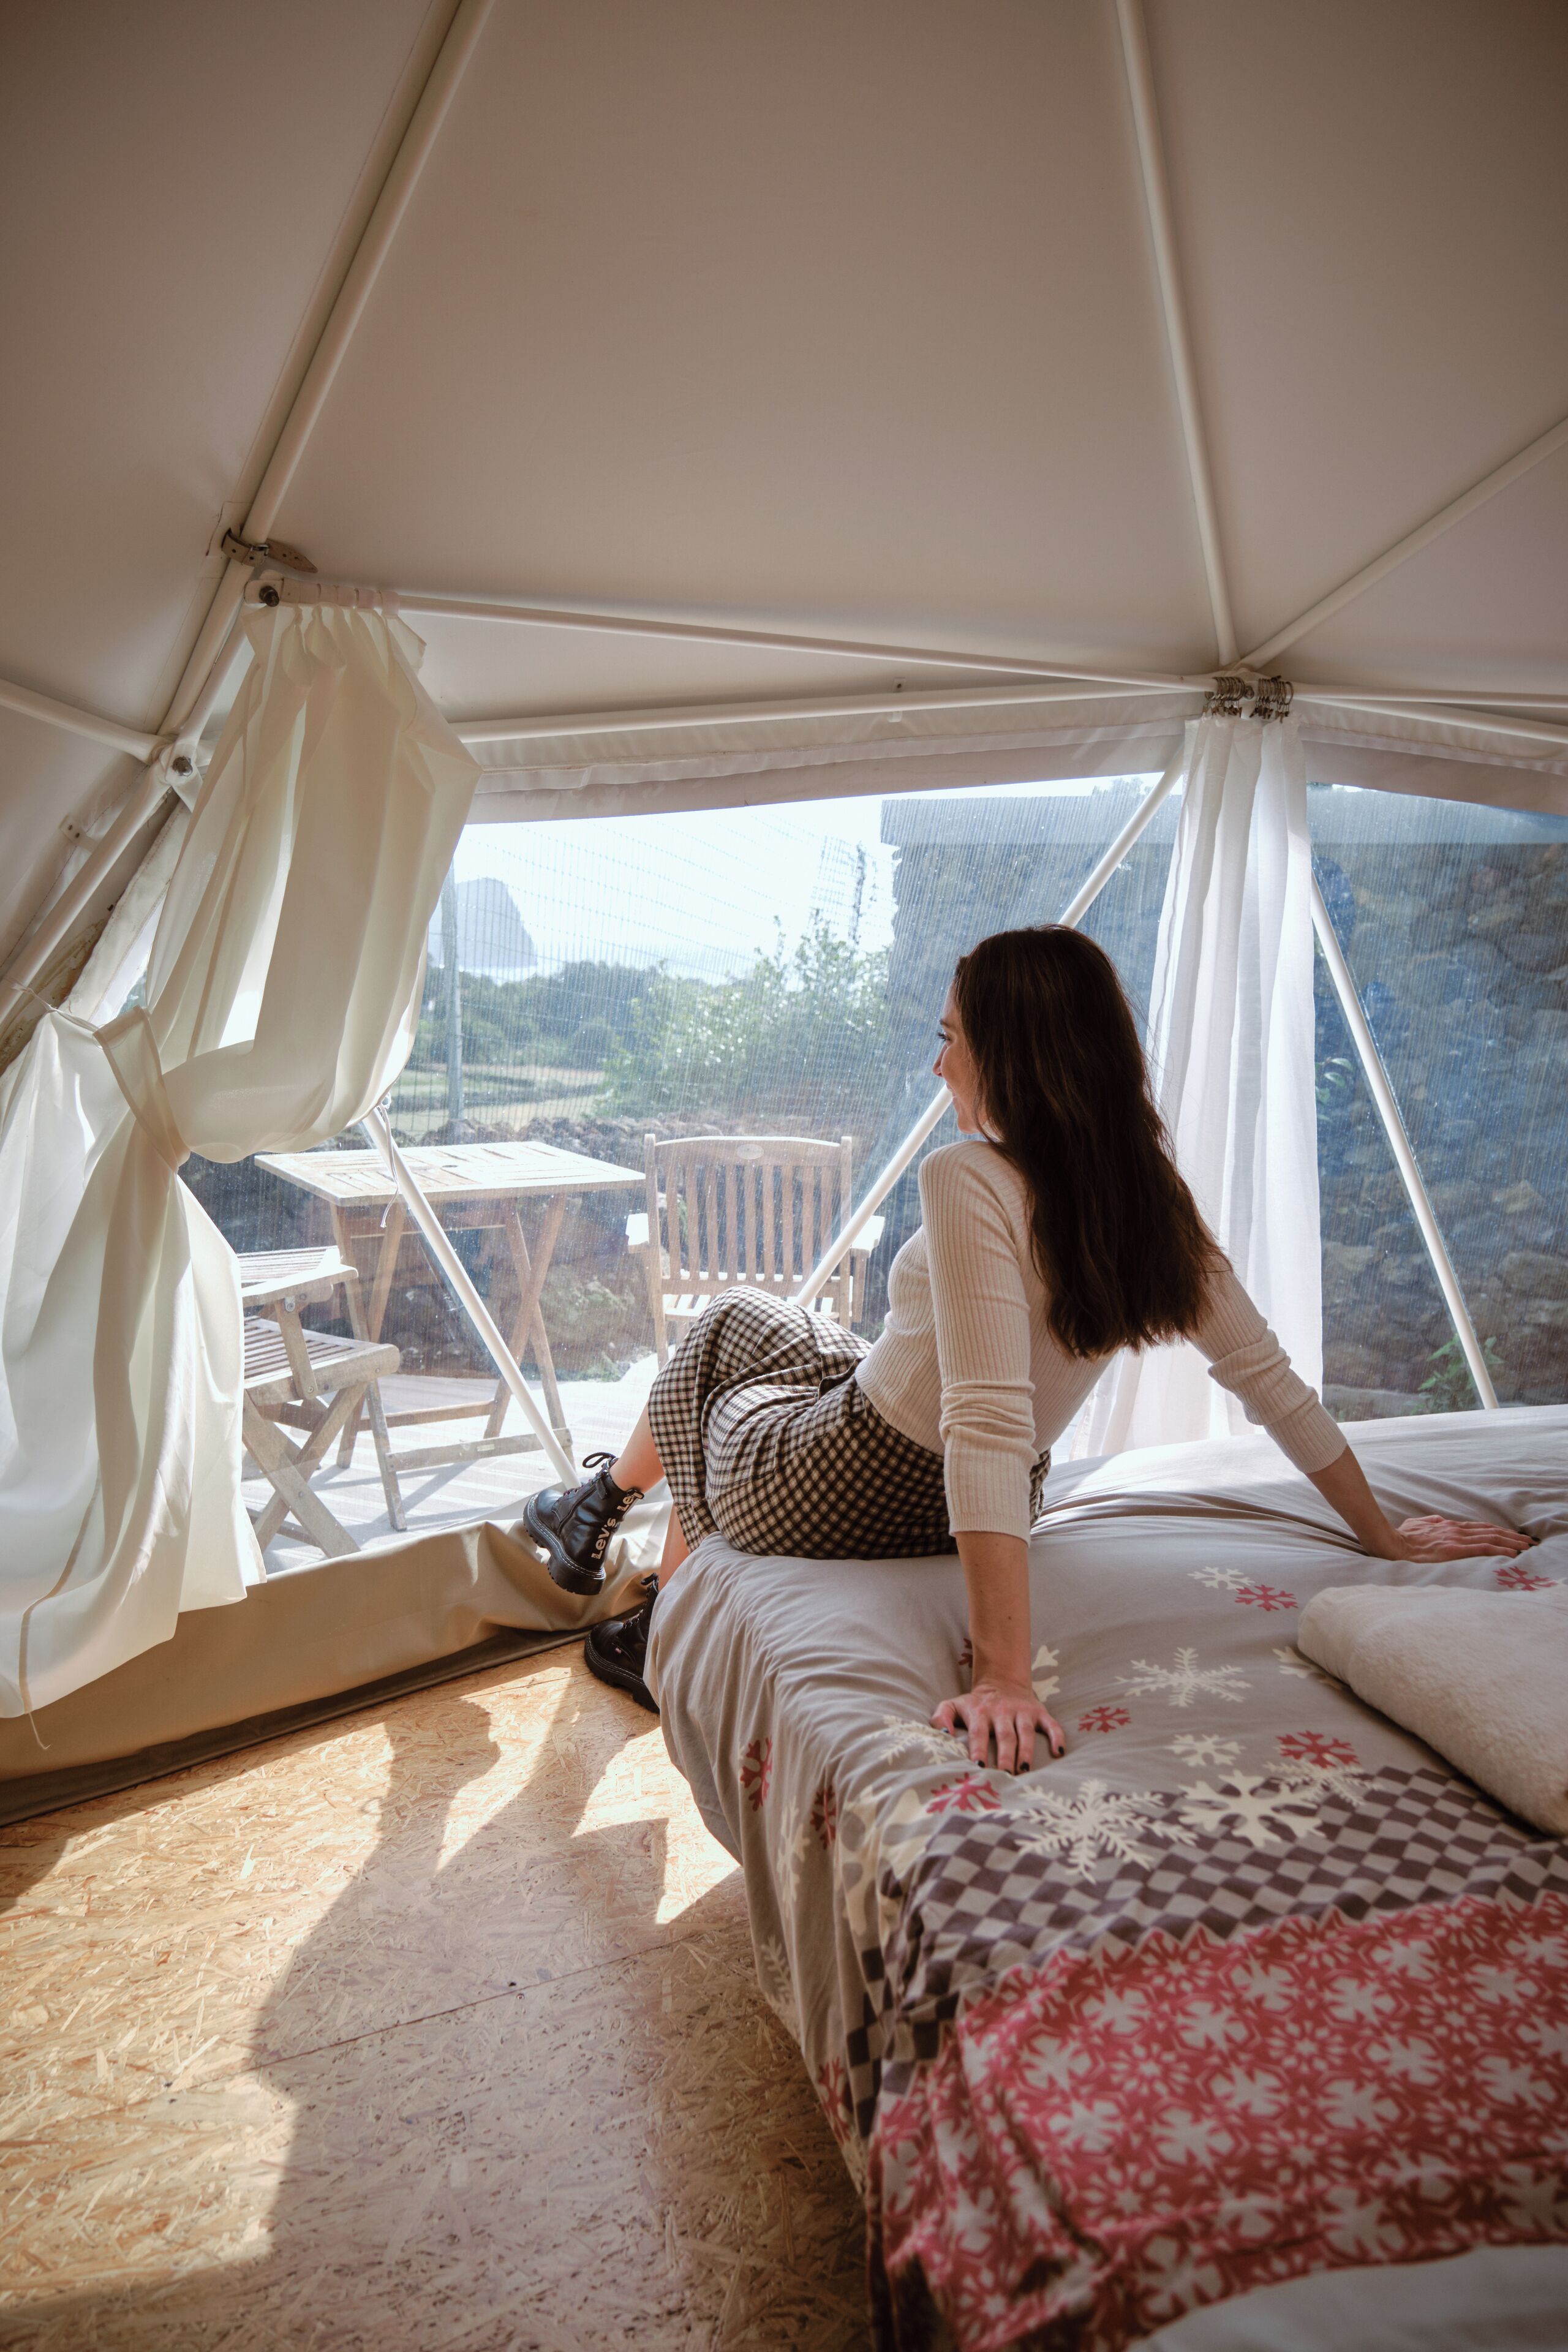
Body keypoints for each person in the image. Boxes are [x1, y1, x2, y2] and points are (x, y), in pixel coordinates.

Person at [524, 927, 1531, 1764]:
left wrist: (1005, 1672)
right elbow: (1266, 1378)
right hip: (992, 1493)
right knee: (760, 1319)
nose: (938, 1064)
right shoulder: (1146, 1197)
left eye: (951, 1038)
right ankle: (596, 1509)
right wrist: (1380, 1533)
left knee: (716, 1356)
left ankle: (651, 1605)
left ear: (1014, 1054)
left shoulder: (967, 1176)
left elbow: (984, 1419)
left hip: (844, 1476)